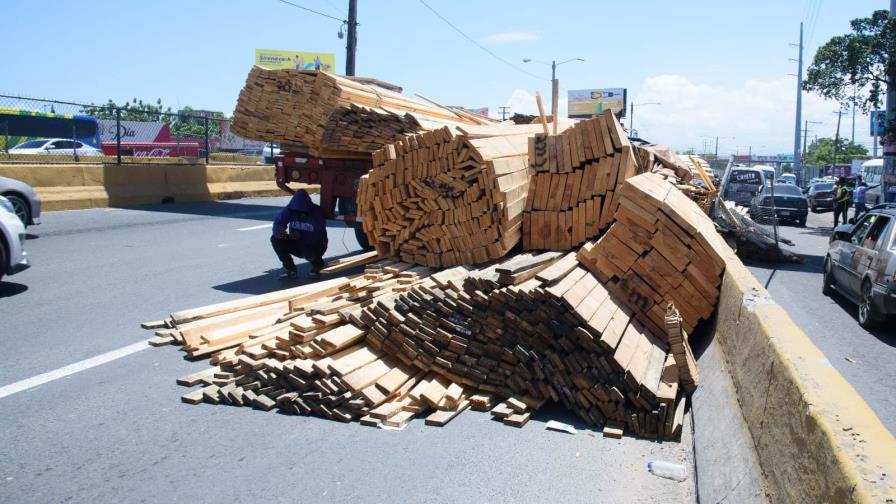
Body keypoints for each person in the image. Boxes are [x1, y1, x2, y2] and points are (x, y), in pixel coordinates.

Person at [271, 189, 327, 280]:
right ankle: (290, 268)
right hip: (296, 241)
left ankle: (318, 264)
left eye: (301, 212)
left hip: (315, 245)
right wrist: (279, 231)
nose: (298, 214)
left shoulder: (317, 212)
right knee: (275, 239)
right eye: (296, 211)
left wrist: (300, 236)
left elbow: (319, 234)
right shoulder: (289, 210)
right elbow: (278, 223)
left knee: (306, 249)